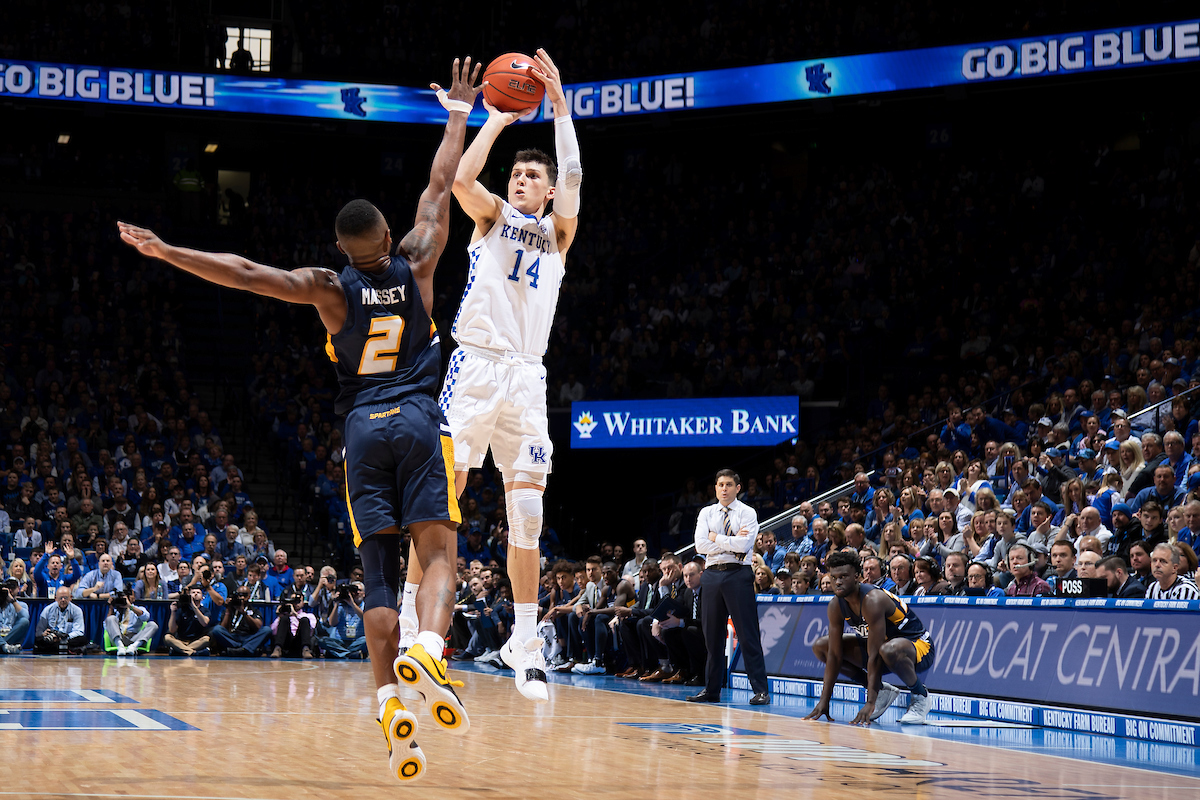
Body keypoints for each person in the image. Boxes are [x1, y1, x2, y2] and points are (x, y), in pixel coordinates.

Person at [119, 57, 480, 783]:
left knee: (378, 575)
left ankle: (388, 702)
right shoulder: (420, 258)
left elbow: (245, 273)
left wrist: (167, 252)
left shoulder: (327, 287)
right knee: (438, 555)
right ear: (389, 235)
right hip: (416, 416)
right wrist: (457, 114)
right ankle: (430, 652)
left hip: (361, 432)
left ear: (343, 249)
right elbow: (441, 186)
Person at [402, 48, 581, 707]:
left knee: (527, 511)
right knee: (440, 495)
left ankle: (524, 643)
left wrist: (559, 110)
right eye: (517, 174)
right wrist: (498, 118)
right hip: (476, 368)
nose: (521, 180)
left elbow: (576, 179)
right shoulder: (493, 218)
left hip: (527, 382)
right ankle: (411, 631)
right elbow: (461, 180)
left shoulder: (559, 233)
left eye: (533, 176)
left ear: (552, 189)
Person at [804, 551, 935, 726]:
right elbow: (834, 656)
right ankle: (881, 690)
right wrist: (824, 700)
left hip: (918, 647)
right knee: (822, 647)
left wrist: (870, 703)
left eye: (844, 576)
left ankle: (920, 695)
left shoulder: (872, 600)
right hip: (884, 649)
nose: (838, 582)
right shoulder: (836, 604)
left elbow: (874, 655)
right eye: (834, 577)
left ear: (857, 576)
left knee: (888, 649)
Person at [687, 469, 769, 705]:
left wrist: (716, 537)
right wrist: (728, 543)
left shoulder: (747, 512)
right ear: (715, 487)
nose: (724, 488)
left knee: (747, 634)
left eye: (729, 484)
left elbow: (744, 545)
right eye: (720, 484)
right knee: (711, 637)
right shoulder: (706, 512)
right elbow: (700, 545)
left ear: (738, 488)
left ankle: (761, 690)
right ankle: (711, 690)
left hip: (738, 573)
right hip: (711, 575)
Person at [207, 585, 272, 656]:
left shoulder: (254, 610)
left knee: (267, 630)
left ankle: (238, 649)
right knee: (217, 629)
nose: (242, 598)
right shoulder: (230, 608)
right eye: (240, 595)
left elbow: (257, 626)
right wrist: (228, 609)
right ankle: (244, 649)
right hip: (232, 637)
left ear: (249, 596)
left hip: (248, 637)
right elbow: (223, 627)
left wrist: (244, 613)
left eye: (244, 595)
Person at [319, 581, 368, 658]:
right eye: (354, 590)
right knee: (323, 640)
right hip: (340, 641)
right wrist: (336, 603)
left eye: (360, 590)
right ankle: (350, 654)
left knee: (366, 640)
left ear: (364, 593)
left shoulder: (366, 606)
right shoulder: (342, 606)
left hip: (357, 641)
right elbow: (332, 623)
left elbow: (365, 619)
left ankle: (341, 653)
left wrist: (352, 604)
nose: (357, 592)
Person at [34, 586, 88, 653]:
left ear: (70, 598)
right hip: (53, 640)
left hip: (68, 639)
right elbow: (39, 631)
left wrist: (64, 637)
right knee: (39, 641)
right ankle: (65, 648)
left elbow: (79, 631)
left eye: (65, 598)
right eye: (60, 598)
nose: (63, 600)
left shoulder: (77, 610)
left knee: (83, 640)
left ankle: (61, 647)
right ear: (55, 598)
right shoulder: (47, 610)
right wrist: (44, 633)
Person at [103, 591, 158, 656]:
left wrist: (130, 606)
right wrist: (111, 607)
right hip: (119, 637)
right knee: (111, 618)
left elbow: (146, 617)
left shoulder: (139, 608)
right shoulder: (116, 611)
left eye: (128, 596)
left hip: (134, 638)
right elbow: (106, 626)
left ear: (133, 598)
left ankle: (134, 647)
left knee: (153, 625)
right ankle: (120, 646)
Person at [163, 585, 212, 655]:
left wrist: (193, 606)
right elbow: (172, 630)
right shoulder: (182, 609)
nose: (195, 594)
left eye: (198, 592)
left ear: (202, 597)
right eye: (193, 592)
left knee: (207, 639)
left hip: (196, 641)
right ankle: (192, 652)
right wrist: (173, 612)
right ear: (189, 595)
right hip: (181, 640)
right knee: (167, 637)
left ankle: (180, 650)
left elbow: (204, 623)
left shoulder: (205, 610)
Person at [0, 579, 30, 653]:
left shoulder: (21, 605)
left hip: (11, 635)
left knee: (24, 621)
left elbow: (26, 618)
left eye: (13, 588)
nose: (10, 590)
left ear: (18, 589)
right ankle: (4, 646)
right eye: (8, 588)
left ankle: (3, 646)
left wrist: (12, 601)